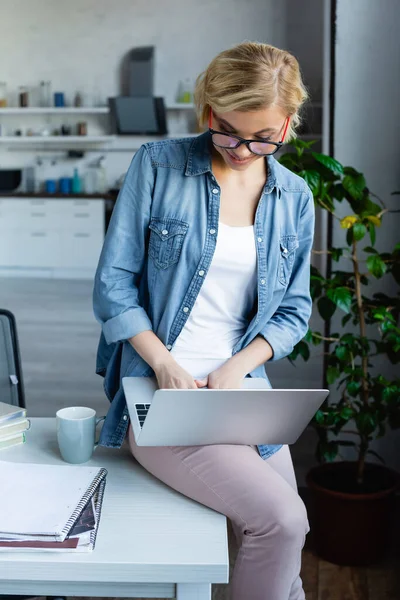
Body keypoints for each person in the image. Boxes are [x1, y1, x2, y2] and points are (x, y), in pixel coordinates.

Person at [93, 41, 315, 600]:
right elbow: (113, 284)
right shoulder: (159, 165)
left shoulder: (295, 197)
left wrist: (239, 366)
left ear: (288, 124)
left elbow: (293, 310)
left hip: (243, 393)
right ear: (209, 112)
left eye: (265, 136)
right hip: (164, 395)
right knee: (282, 522)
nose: (243, 149)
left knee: (287, 545)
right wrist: (164, 364)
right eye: (229, 130)